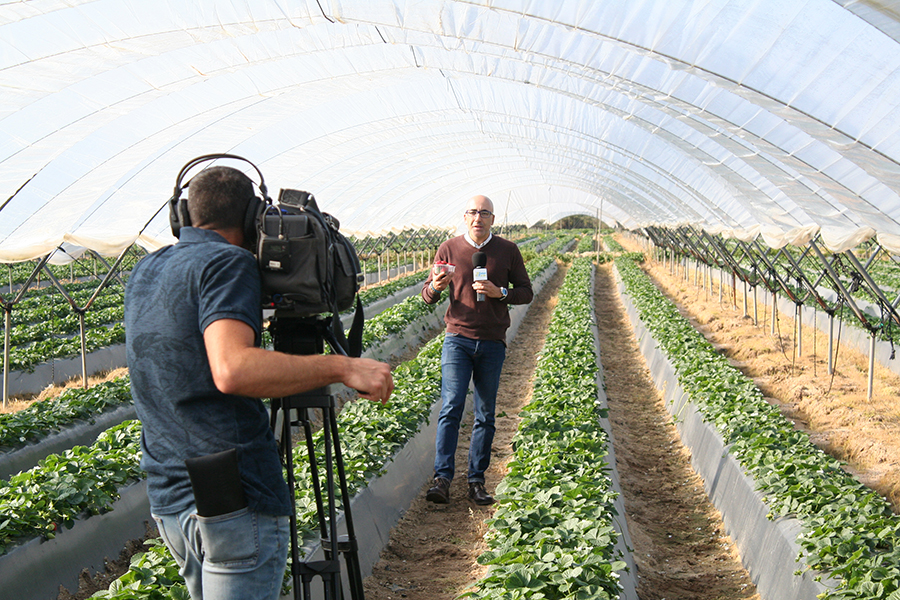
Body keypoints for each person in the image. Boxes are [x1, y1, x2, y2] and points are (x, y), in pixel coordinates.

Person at [124, 165, 393, 600]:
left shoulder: (148, 269)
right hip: (234, 500)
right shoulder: (227, 262)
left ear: (183, 216)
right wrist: (342, 367)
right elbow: (233, 369)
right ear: (255, 218)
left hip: (172, 495)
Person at [421, 194, 533, 506]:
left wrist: (502, 292)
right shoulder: (449, 248)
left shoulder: (508, 251)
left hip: (493, 342)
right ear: (465, 216)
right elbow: (427, 295)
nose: (478, 218)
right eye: (473, 212)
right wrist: (436, 287)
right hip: (458, 338)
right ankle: (442, 478)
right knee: (452, 406)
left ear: (493, 219)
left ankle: (476, 481)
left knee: (485, 413)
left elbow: (526, 292)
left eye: (484, 213)